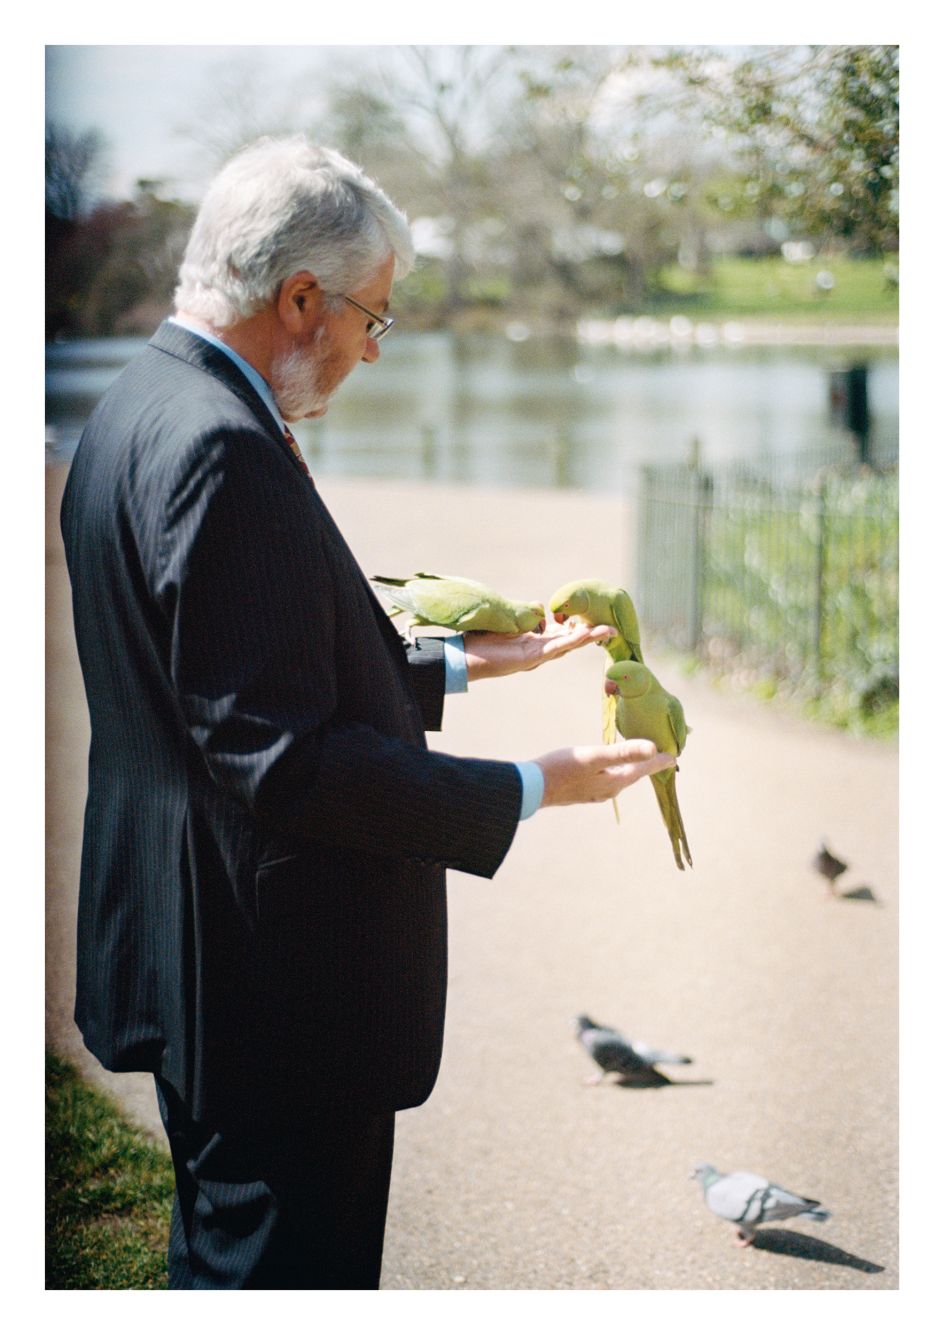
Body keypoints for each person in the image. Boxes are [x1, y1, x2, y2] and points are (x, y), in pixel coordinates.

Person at [60, 135, 675, 1290]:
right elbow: (284, 761)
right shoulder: (221, 449)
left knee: (226, 1265)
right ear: (301, 299)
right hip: (273, 991)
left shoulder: (137, 406)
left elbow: (225, 685)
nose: (369, 350)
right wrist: (536, 784)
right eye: (370, 317)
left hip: (194, 957)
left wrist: (461, 667)